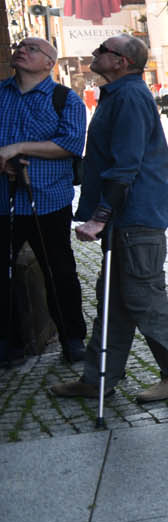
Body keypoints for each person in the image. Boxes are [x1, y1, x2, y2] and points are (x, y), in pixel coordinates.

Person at [49, 37, 168, 403]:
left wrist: (100, 216)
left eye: (103, 50)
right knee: (112, 303)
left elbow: (126, 163)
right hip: (125, 218)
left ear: (123, 61)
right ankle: (99, 379)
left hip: (136, 217)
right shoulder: (116, 94)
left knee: (145, 299)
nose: (95, 53)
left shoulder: (129, 97)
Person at [1, 37, 87, 368]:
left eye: (33, 48)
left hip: (48, 200)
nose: (22, 49)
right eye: (20, 45)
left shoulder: (65, 99)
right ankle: (9, 342)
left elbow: (70, 144)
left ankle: (72, 338)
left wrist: (17, 148)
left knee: (59, 271)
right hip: (2, 201)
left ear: (49, 62)